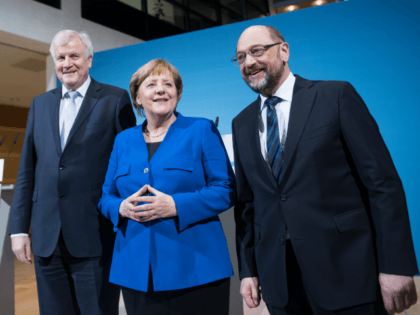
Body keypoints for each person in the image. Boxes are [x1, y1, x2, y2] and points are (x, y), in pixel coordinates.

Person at [232, 25, 418, 315]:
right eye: (241, 57)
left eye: (257, 51)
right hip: (281, 280)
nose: (249, 62)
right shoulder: (241, 123)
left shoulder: (336, 95)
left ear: (284, 50)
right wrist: (248, 270)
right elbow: (247, 206)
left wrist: (396, 265)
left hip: (347, 270)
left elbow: (382, 183)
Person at [9, 30, 136, 315]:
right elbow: (27, 169)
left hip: (95, 234)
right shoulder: (40, 104)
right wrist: (18, 229)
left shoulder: (115, 100)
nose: (67, 63)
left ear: (89, 59)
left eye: (74, 56)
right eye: (61, 57)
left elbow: (126, 167)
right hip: (46, 237)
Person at [98, 59, 236, 315]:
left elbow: (226, 189)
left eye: (168, 84)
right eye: (151, 84)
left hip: (197, 267)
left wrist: (175, 205)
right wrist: (121, 208)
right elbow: (106, 196)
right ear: (137, 97)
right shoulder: (122, 140)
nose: (161, 89)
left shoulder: (201, 129)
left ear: (178, 93)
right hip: (136, 271)